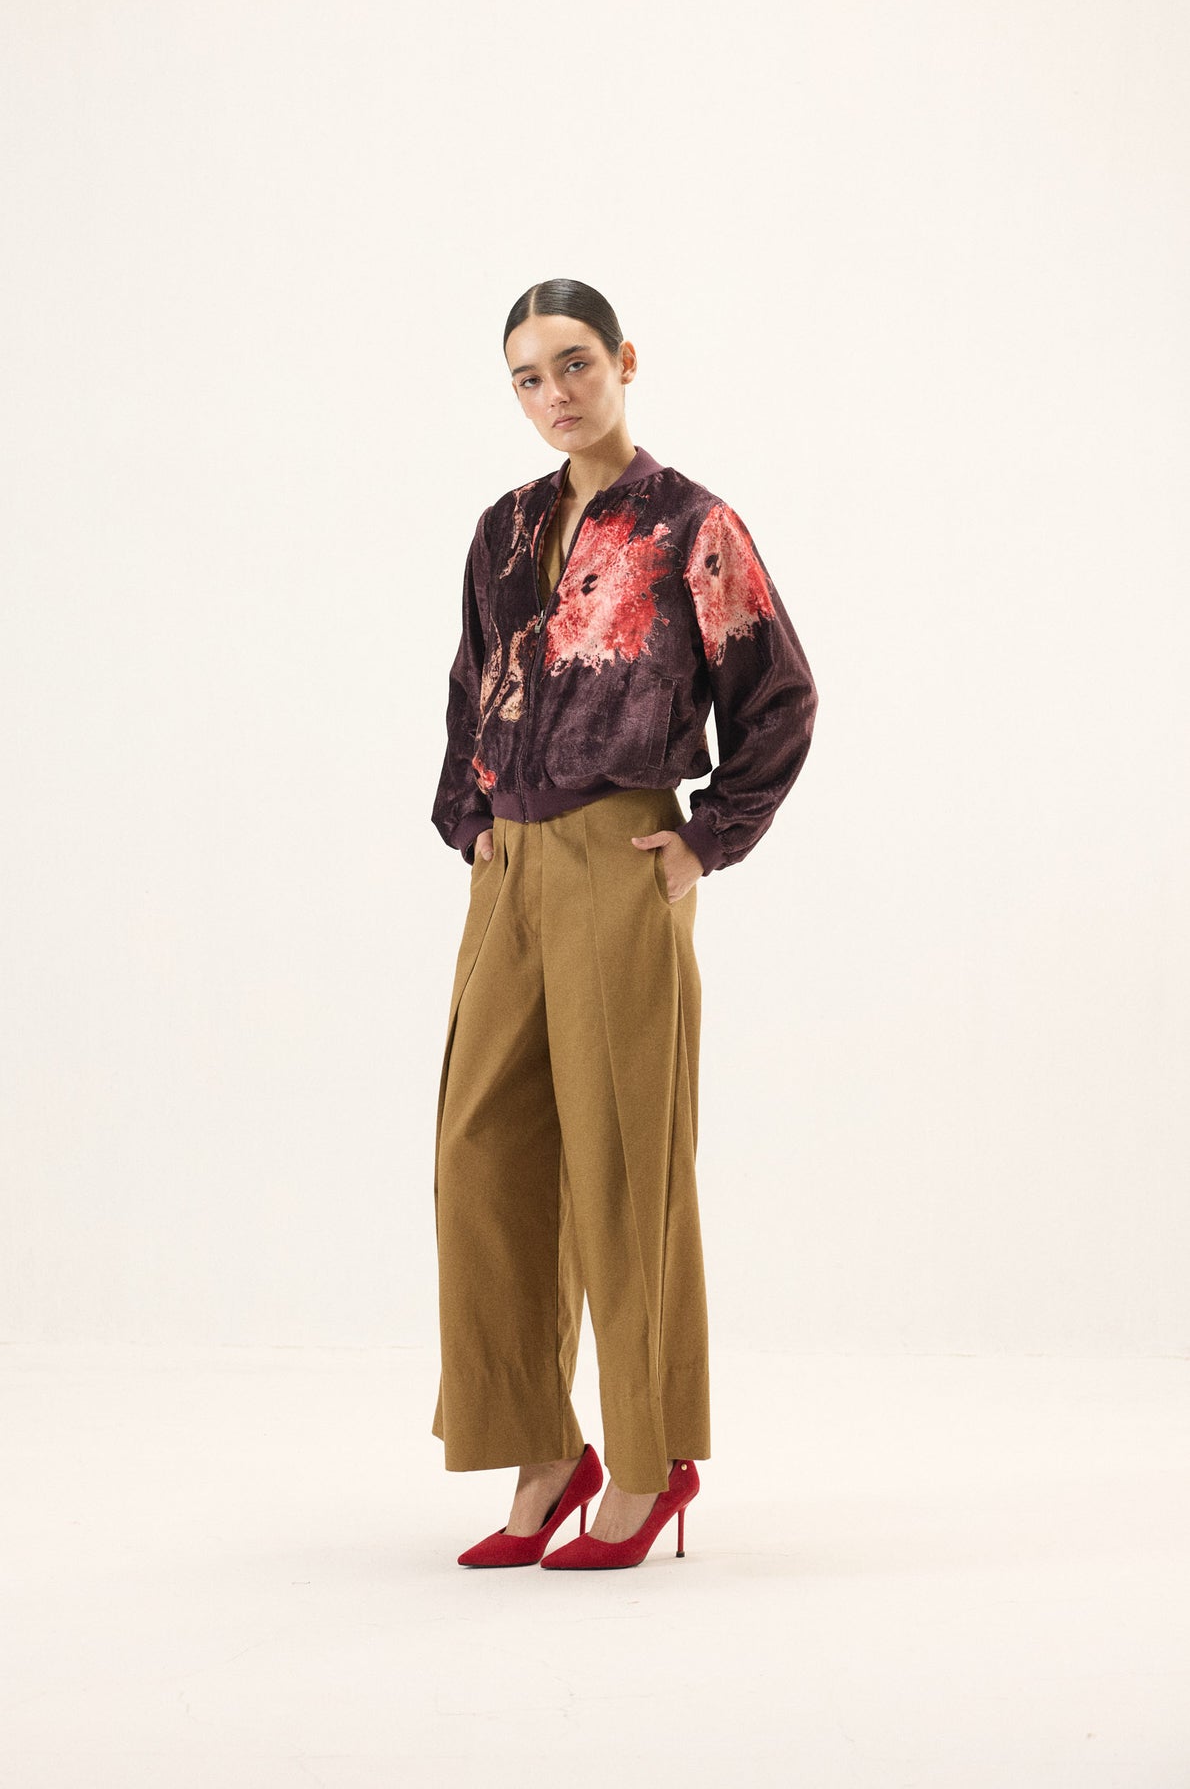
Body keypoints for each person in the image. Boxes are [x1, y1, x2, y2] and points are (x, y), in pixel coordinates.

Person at [429, 278, 818, 1570]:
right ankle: (545, 1446)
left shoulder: (693, 526)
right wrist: (471, 819)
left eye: (575, 364)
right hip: (509, 866)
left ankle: (648, 1463)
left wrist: (706, 838)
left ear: (624, 361)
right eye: (528, 377)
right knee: (478, 1152)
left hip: (620, 856)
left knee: (620, 1167)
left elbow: (780, 697)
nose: (554, 394)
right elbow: (469, 688)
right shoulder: (501, 531)